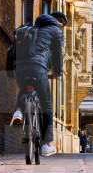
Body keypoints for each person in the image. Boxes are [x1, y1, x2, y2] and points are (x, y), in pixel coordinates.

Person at [7, 10, 66, 158]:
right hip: (38, 68)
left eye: (62, 23)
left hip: (20, 68)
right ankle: (47, 144)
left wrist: (10, 72)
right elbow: (58, 54)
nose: (61, 24)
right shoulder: (55, 31)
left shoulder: (30, 29)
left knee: (24, 91)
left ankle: (18, 112)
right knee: (46, 104)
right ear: (53, 20)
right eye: (60, 21)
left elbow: (11, 50)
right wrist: (58, 71)